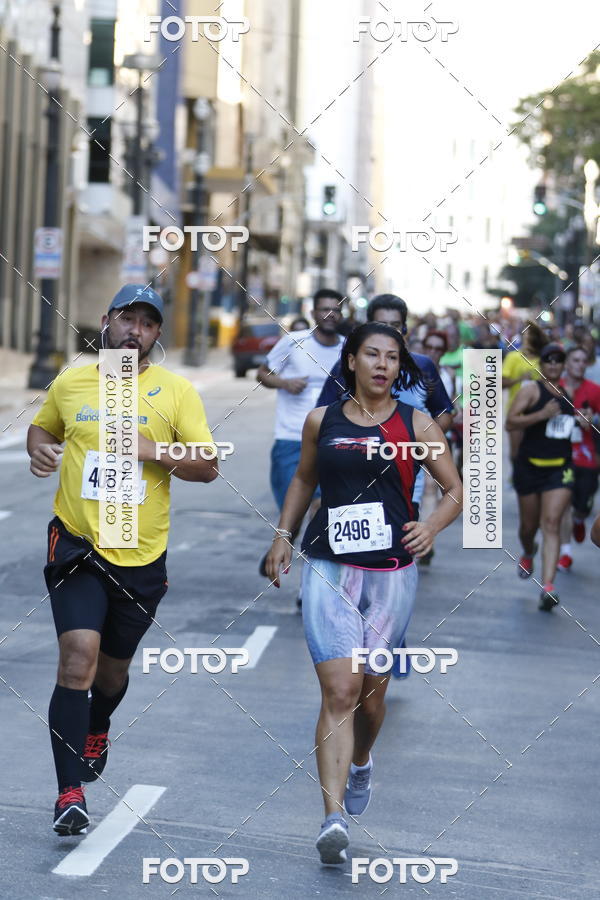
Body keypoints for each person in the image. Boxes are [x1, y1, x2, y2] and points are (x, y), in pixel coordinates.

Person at [265, 323, 463, 865]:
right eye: (371, 354)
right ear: (351, 360)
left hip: (391, 572)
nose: (382, 364)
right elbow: (305, 480)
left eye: (392, 357)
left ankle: (362, 760)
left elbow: (455, 489)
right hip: (329, 564)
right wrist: (284, 535)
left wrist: (432, 528)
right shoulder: (318, 421)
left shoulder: (416, 423)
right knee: (340, 692)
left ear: (400, 368)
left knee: (372, 697)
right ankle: (332, 818)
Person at [28, 284, 218, 836]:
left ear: (157, 335)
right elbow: (45, 427)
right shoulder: (73, 379)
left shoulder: (176, 391)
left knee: (110, 672)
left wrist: (151, 449)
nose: (136, 331)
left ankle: (98, 724)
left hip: (140, 555)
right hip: (77, 546)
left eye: (148, 324)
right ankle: (69, 793)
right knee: (76, 658)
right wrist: (38, 447)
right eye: (127, 319)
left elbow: (206, 463)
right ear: (107, 321)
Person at [317, 296, 454, 576]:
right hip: (350, 467)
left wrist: (422, 442)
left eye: (396, 326)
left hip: (402, 472)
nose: (389, 331)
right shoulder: (349, 365)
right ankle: (324, 576)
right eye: (381, 324)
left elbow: (444, 411)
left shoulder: (423, 367)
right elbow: (322, 417)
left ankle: (387, 586)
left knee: (394, 537)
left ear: (405, 330)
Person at [256, 289, 344, 599]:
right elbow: (262, 373)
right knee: (290, 513)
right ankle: (283, 543)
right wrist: (285, 383)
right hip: (290, 438)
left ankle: (308, 588)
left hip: (328, 441)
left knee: (319, 510)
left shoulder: (348, 350)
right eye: (324, 309)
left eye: (336, 309)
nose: (330, 314)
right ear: (314, 312)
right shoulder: (295, 343)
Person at [506, 343, 575, 611]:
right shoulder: (531, 390)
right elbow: (510, 422)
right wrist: (541, 415)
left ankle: (548, 587)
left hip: (560, 468)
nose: (554, 365)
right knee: (528, 527)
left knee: (552, 522)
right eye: (549, 360)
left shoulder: (570, 393)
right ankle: (527, 551)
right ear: (541, 364)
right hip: (530, 466)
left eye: (559, 360)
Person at [557, 345, 600, 569]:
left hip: (587, 456)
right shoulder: (556, 388)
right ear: (567, 363)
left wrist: (594, 419)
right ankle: (565, 552)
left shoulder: (594, 390)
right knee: (563, 503)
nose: (580, 364)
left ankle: (580, 519)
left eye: (584, 360)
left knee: (582, 505)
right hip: (560, 455)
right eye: (575, 360)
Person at [502, 321, 548, 464]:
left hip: (540, 410)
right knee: (516, 452)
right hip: (516, 410)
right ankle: (515, 479)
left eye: (531, 335)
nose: (528, 339)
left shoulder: (544, 358)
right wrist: (519, 379)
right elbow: (501, 383)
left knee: (536, 450)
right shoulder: (513, 357)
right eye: (526, 335)